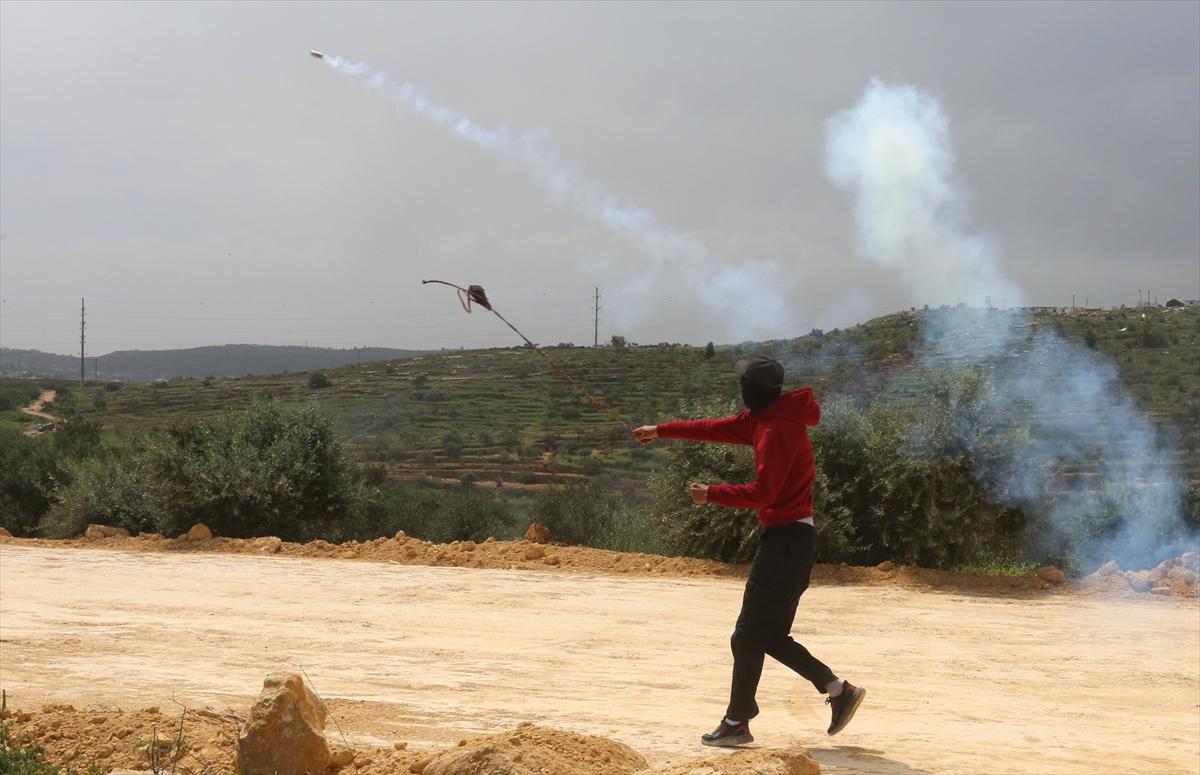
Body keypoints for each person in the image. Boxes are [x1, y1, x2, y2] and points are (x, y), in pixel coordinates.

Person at [633, 355, 865, 746]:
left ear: (757, 390)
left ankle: (737, 723)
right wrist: (661, 430)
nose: (740, 390)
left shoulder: (777, 429)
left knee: (746, 637)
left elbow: (765, 493)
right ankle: (839, 690)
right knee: (769, 636)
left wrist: (711, 494)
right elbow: (714, 428)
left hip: (787, 543)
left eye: (744, 385)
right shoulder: (763, 418)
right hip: (791, 541)